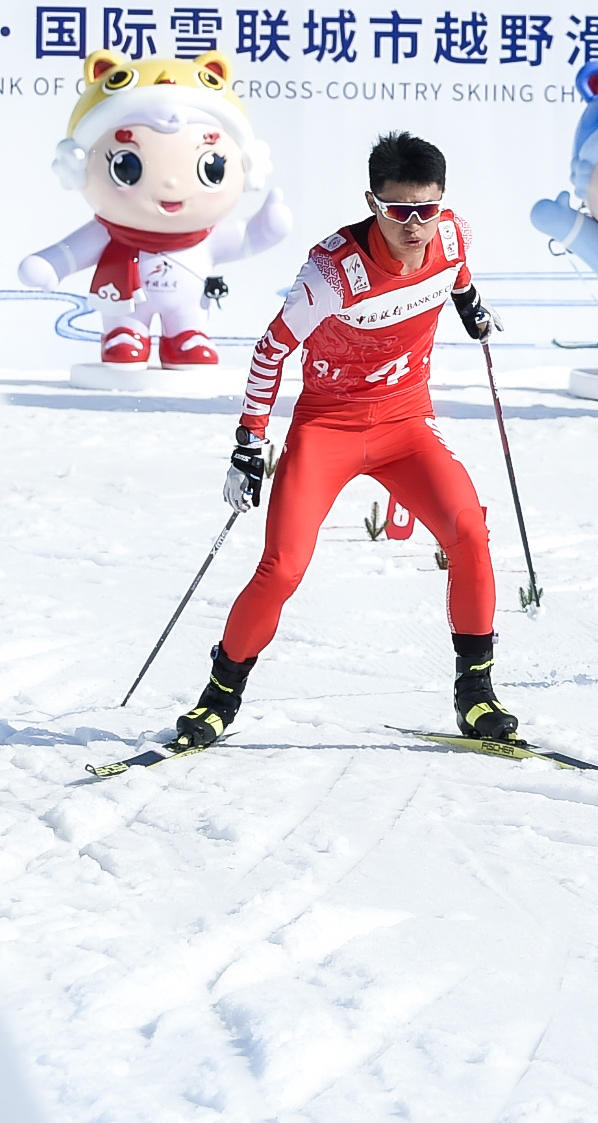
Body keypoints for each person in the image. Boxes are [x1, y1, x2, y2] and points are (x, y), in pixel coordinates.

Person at [177, 133, 508, 751]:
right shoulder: (332, 272)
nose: (416, 226)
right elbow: (271, 350)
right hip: (328, 427)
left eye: (427, 209)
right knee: (283, 569)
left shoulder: (454, 233)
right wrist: (249, 444)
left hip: (406, 423)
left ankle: (476, 695)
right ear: (372, 202)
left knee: (469, 533)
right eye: (398, 212)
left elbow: (455, 267)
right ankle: (217, 699)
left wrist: (467, 301)